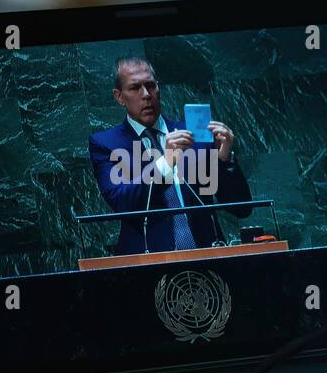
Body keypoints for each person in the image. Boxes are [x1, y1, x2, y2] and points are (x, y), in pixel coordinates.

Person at [88, 57, 253, 256]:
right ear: (119, 97)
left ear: (159, 88)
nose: (146, 95)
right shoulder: (106, 144)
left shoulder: (193, 134)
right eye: (135, 88)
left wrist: (224, 159)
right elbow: (121, 201)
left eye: (150, 86)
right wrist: (164, 165)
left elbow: (242, 209)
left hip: (208, 256)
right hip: (147, 262)